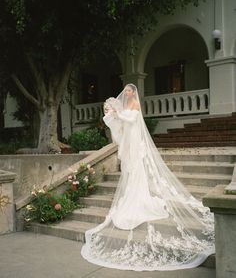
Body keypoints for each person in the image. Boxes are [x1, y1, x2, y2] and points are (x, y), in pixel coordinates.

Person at [81, 83, 215, 271]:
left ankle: (139, 197)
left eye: (129, 91)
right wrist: (113, 114)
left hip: (135, 140)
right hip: (129, 139)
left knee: (136, 168)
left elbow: (131, 120)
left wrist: (118, 114)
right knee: (130, 169)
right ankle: (133, 195)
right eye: (125, 91)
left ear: (133, 93)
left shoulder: (134, 104)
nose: (126, 93)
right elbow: (123, 122)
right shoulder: (127, 105)